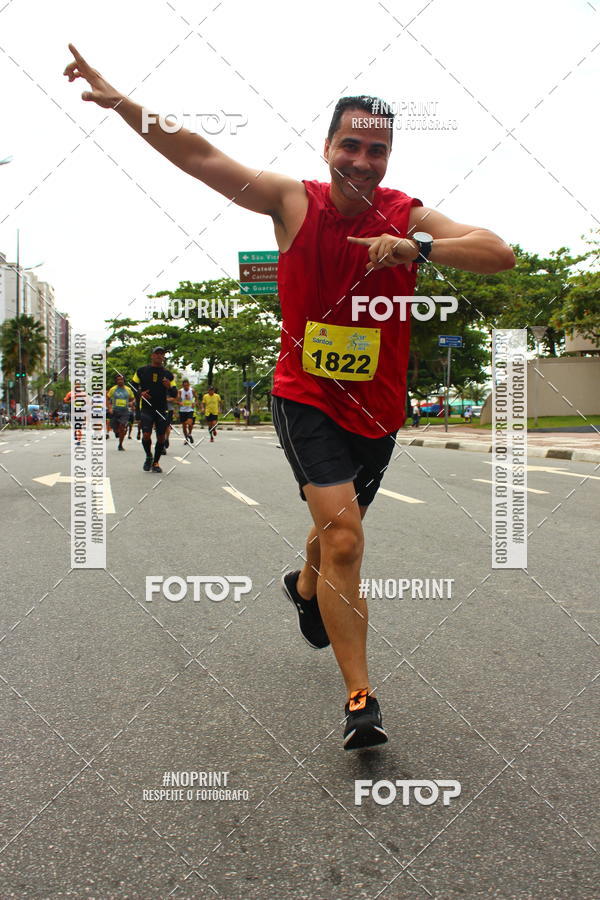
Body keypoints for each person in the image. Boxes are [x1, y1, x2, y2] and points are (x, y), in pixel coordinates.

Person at [64, 49, 515, 749]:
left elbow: (496, 251)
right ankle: (360, 698)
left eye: (378, 149)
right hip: (304, 394)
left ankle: (305, 589)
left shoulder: (407, 215)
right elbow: (199, 154)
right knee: (345, 537)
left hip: (379, 410)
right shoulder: (292, 201)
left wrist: (416, 247)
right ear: (328, 146)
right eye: (352, 145)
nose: (363, 160)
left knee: (340, 527)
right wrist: (121, 100)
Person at [131, 347, 176, 473]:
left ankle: (156, 462)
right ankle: (148, 456)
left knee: (161, 437)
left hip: (161, 409)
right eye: (157, 353)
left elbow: (175, 392)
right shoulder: (141, 371)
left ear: (164, 357)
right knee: (146, 435)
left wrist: (168, 387)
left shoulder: (168, 374)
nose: (159, 356)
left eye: (162, 354)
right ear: (152, 356)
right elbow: (133, 386)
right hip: (146, 408)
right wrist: (140, 393)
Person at [107, 374, 135, 450]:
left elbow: (133, 399)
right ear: (116, 381)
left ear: (124, 380)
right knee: (114, 428)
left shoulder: (128, 389)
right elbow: (108, 399)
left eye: (121, 379)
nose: (120, 381)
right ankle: (117, 432)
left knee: (122, 427)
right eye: (118, 379)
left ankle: (120, 444)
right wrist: (109, 408)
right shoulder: (113, 389)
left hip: (125, 411)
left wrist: (132, 403)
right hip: (115, 411)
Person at [178, 378, 197, 443]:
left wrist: (194, 403)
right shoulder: (180, 391)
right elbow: (177, 399)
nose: (186, 387)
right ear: (182, 386)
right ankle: (186, 438)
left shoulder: (192, 391)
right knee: (184, 426)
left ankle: (189, 434)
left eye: (187, 385)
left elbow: (196, 398)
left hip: (190, 409)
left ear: (189, 385)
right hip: (182, 410)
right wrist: (179, 402)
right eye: (184, 385)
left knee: (190, 423)